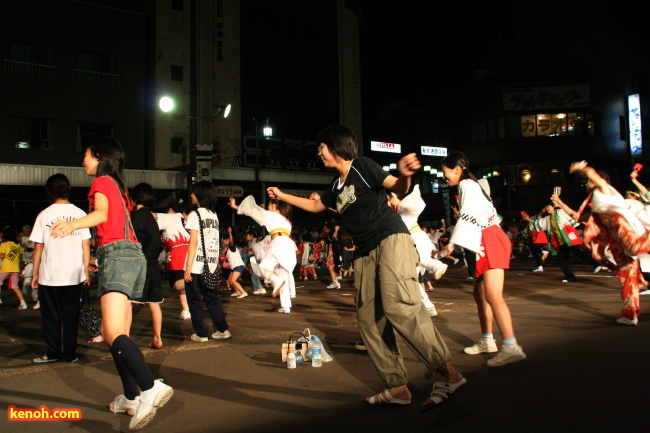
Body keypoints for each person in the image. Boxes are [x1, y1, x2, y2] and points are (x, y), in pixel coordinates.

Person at [268, 125, 464, 407]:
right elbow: (315, 207)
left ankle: (447, 373)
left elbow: (395, 185)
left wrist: (404, 176)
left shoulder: (361, 166)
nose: (319, 152)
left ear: (335, 147)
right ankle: (397, 386)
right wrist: (282, 195)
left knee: (399, 306)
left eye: (321, 146)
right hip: (366, 251)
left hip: (391, 238)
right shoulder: (336, 186)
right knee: (369, 321)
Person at [49, 138, 173, 430]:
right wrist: (99, 257)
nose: (83, 161)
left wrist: (71, 225)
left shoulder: (102, 182)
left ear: (100, 156)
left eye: (86, 155)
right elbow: (116, 222)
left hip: (118, 255)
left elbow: (101, 216)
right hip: (129, 256)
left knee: (112, 331)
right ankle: (131, 396)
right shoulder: (119, 187)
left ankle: (148, 387)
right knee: (114, 333)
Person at [441, 151, 526, 367]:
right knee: (480, 292)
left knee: (493, 294)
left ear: (458, 169)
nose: (445, 177)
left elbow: (467, 215)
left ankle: (510, 345)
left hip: (489, 238)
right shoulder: (473, 184)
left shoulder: (467, 185)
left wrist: (453, 241)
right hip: (489, 237)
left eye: (446, 172)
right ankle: (488, 340)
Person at [564, 161, 650, 325]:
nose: (587, 184)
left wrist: (581, 169)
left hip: (623, 227)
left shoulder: (605, 190)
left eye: (589, 181)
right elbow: (579, 217)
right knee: (626, 275)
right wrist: (560, 203)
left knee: (635, 246)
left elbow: (593, 174)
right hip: (614, 236)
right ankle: (631, 315)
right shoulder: (595, 200)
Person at [30, 173, 91, 363]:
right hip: (73, 275)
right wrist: (86, 271)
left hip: (49, 275)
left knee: (51, 316)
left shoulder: (44, 215)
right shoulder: (80, 214)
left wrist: (34, 273)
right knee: (71, 316)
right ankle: (70, 354)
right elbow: (86, 245)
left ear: (49, 192)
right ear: (68, 190)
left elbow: (38, 247)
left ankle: (52, 353)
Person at [229, 195, 297, 313]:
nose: (268, 206)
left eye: (270, 204)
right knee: (282, 275)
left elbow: (251, 211)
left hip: (279, 243)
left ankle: (276, 282)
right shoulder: (287, 220)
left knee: (264, 267)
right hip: (288, 246)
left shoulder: (272, 215)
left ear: (274, 206)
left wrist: (235, 206)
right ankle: (286, 306)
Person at [388, 185, 449, 316]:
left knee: (413, 261)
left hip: (417, 239)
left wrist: (399, 202)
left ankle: (436, 264)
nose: (388, 203)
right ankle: (428, 305)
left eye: (389, 199)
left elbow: (418, 207)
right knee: (410, 277)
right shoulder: (396, 214)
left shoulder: (405, 210)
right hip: (410, 242)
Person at [183, 181, 232, 341]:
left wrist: (188, 267)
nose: (191, 195)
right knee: (212, 298)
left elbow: (194, 242)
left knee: (195, 301)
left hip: (196, 266)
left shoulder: (194, 215)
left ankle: (200, 333)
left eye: (194, 192)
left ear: (200, 195)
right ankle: (223, 329)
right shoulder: (214, 215)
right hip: (210, 265)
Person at [130, 183, 164, 349]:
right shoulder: (152, 217)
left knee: (128, 302)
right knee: (154, 303)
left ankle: (123, 338)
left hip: (141, 265)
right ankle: (157, 338)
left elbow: (134, 241)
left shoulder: (138, 216)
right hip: (154, 265)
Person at [156, 193, 192, 321]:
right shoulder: (186, 218)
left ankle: (199, 284)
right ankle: (186, 310)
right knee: (182, 288)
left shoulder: (169, 217)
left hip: (177, 253)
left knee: (176, 284)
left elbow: (152, 218)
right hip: (190, 252)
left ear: (170, 209)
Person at [0, 227, 27, 309]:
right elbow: (23, 250)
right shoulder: (17, 246)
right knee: (15, 286)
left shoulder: (4, 245)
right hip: (15, 269)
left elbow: (2, 255)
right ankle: (23, 303)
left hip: (5, 268)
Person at [226, 227, 248, 298]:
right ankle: (237, 291)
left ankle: (243, 292)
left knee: (233, 280)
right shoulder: (228, 250)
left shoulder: (232, 248)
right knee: (230, 281)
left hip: (238, 265)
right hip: (234, 266)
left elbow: (231, 242)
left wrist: (229, 233)